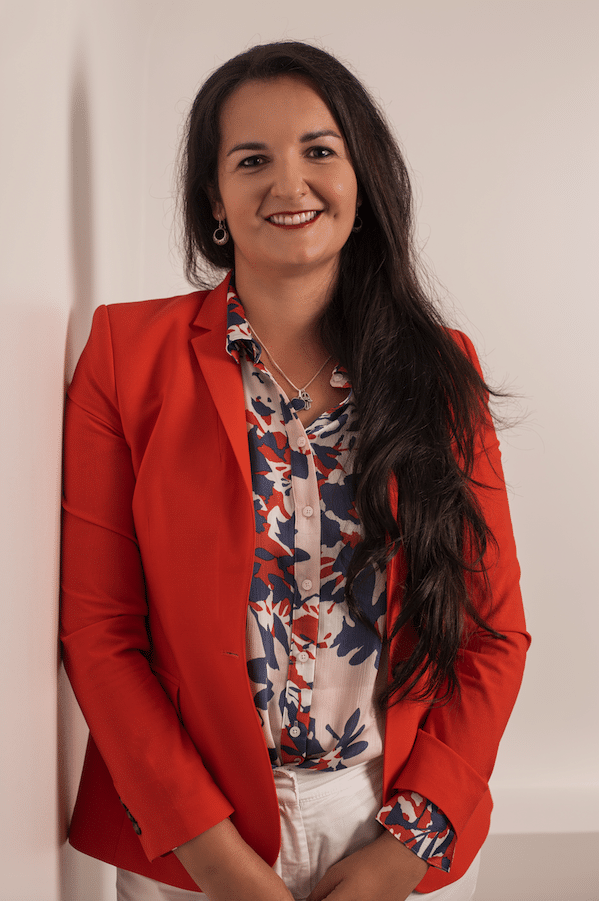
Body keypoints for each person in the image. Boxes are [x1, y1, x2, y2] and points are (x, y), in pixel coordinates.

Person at [61, 41, 530, 901]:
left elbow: (491, 634)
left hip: (394, 824)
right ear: (214, 199)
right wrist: (215, 861)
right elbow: (100, 632)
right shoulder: (127, 355)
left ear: (361, 178)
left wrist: (408, 844)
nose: (289, 183)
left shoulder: (440, 369)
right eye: (251, 160)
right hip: (191, 838)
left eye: (318, 150)